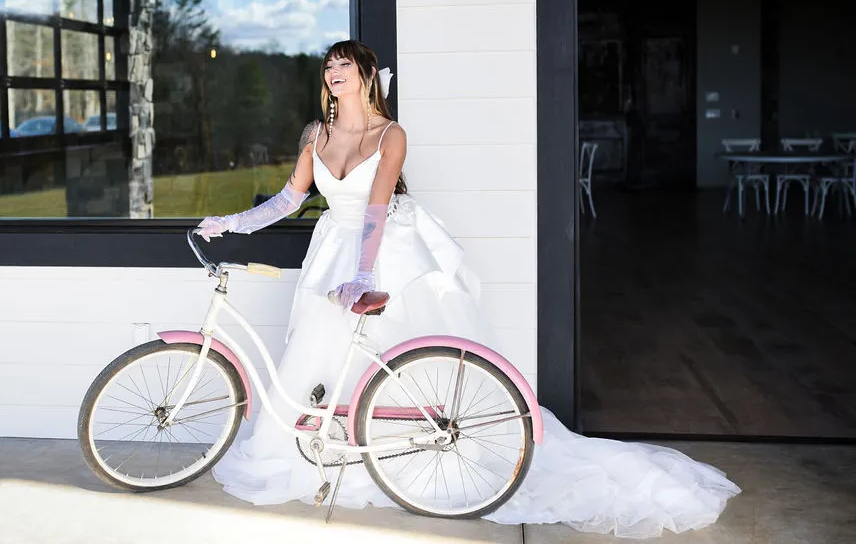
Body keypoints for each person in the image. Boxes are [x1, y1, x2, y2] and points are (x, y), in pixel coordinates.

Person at [196, 40, 740, 538]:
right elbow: (290, 200)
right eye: (329, 66)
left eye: (346, 65)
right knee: (322, 357)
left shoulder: (390, 135)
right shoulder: (317, 135)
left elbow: (378, 210)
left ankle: (418, 449)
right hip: (333, 246)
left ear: (366, 75)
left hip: (381, 247)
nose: (335, 72)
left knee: (402, 351)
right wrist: (233, 223)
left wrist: (365, 274)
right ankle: (338, 450)